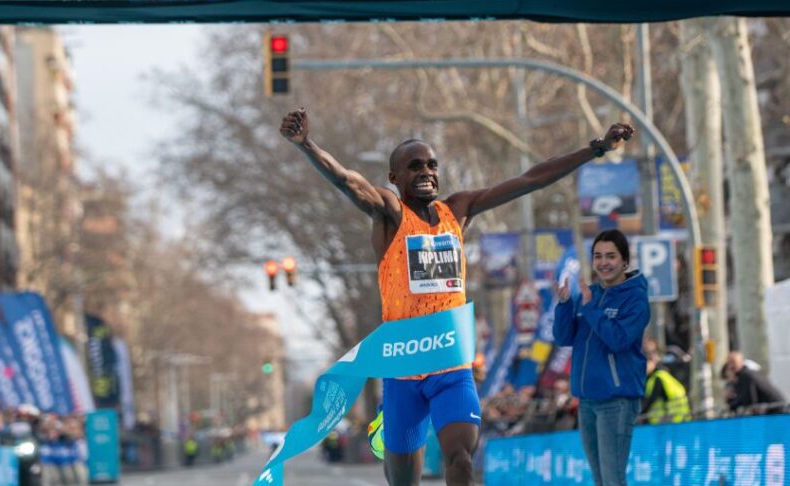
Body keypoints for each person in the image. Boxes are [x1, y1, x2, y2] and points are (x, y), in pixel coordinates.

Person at [280, 108, 634, 486]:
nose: (426, 172)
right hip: (403, 368)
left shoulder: (458, 210)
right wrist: (307, 145)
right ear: (394, 177)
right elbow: (349, 182)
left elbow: (532, 178)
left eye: (432, 164)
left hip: (451, 363)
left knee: (462, 459)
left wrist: (596, 149)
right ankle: (390, 426)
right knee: (404, 481)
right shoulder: (391, 214)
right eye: (414, 166)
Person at [553, 229, 649, 486]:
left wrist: (591, 309)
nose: (603, 262)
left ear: (624, 261)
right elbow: (564, 338)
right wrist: (564, 305)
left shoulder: (635, 299)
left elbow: (618, 340)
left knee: (612, 480)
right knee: (601, 480)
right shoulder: (590, 294)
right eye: (598, 256)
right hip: (587, 401)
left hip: (616, 402)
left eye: (611, 256)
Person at [641, 352, 691, 424]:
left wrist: (639, 414)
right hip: (680, 418)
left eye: (645, 364)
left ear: (652, 363)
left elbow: (650, 400)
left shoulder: (658, 378)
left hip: (670, 420)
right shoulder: (663, 375)